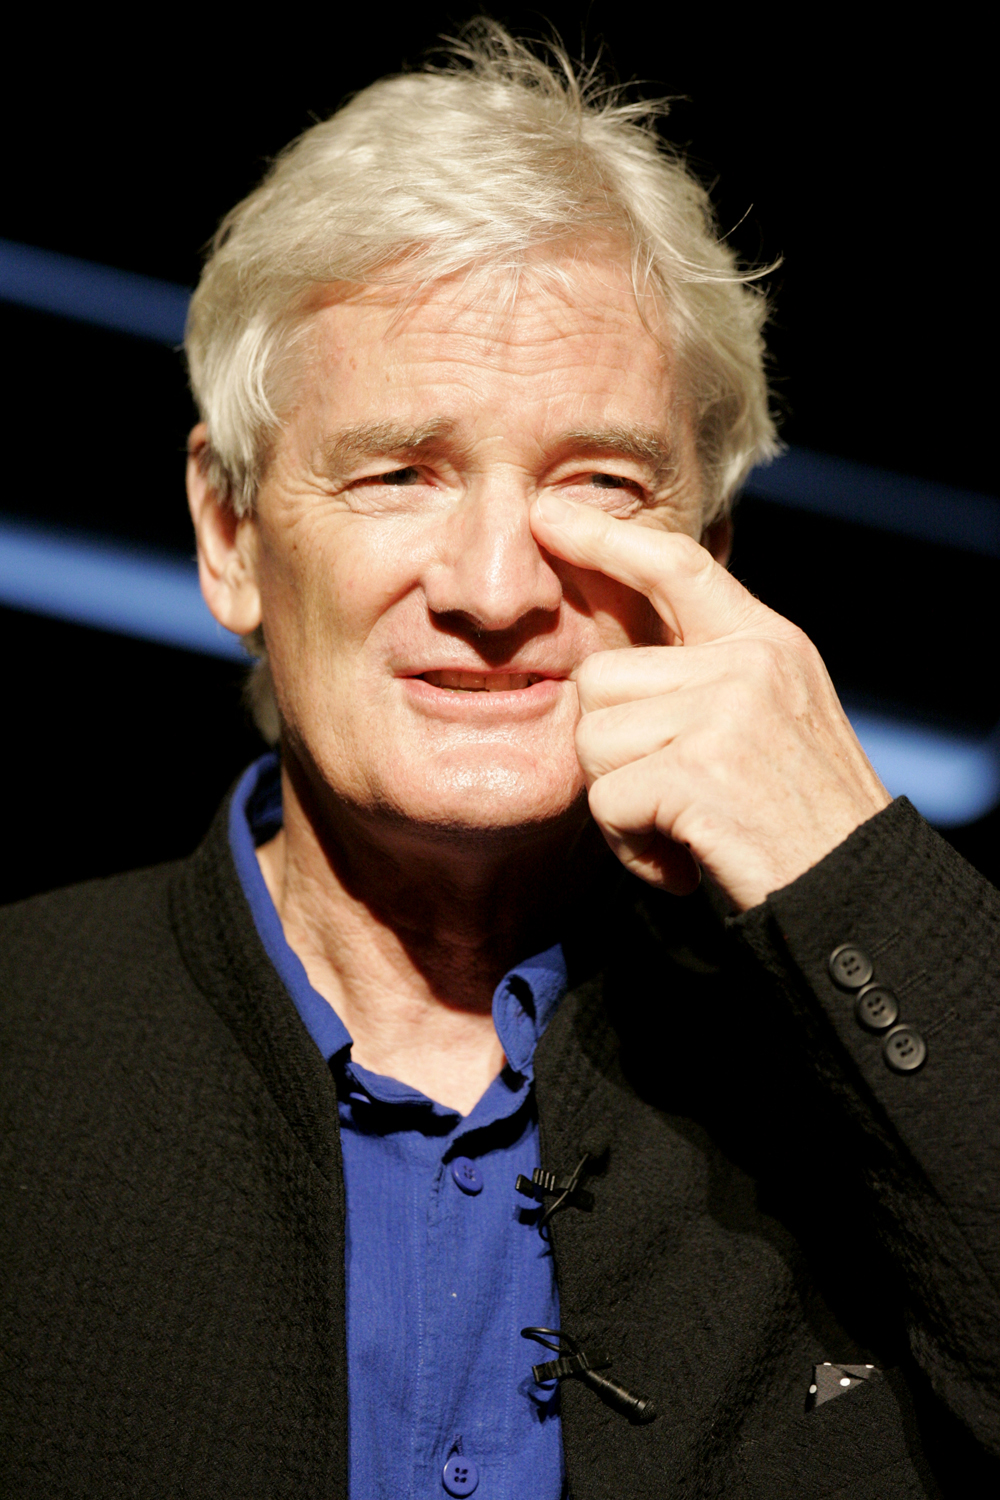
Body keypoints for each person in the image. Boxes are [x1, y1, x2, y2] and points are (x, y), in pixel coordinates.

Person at [2, 24, 997, 1499]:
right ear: (229, 534)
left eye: (597, 484)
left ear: (709, 560)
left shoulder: (867, 1069)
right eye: (399, 472)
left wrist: (856, 874)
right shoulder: (23, 1034)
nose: (493, 588)